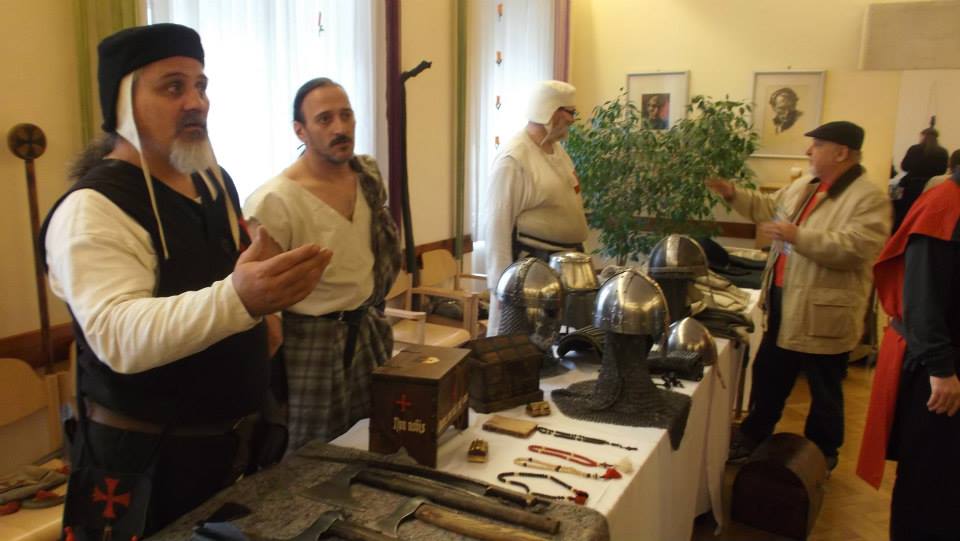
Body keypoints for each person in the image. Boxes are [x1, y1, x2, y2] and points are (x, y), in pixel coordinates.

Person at [40, 24, 331, 538]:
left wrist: (266, 313)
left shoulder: (213, 181)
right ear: (124, 103)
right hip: (147, 469)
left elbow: (233, 273)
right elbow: (118, 335)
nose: (196, 102)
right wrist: (242, 300)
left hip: (231, 453)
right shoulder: (93, 210)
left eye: (201, 85)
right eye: (173, 87)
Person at [706, 121, 891, 470]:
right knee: (768, 375)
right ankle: (753, 437)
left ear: (841, 152)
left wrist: (796, 236)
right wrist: (732, 193)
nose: (809, 151)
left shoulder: (868, 197)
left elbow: (856, 248)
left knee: (824, 389)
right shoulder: (805, 185)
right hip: (783, 303)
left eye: (817, 145)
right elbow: (767, 207)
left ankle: (822, 456)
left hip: (823, 313)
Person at [243, 78, 401, 451]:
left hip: (368, 333)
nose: (340, 128)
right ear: (300, 130)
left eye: (346, 115)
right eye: (325, 119)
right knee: (313, 457)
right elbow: (262, 308)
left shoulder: (367, 175)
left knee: (375, 440)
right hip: (311, 347)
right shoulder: (274, 201)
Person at [858, 164, 960, 541]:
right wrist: (941, 369)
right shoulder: (945, 205)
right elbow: (921, 300)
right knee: (929, 482)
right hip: (939, 372)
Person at [481, 80, 589, 334]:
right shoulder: (514, 158)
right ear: (550, 111)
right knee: (527, 345)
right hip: (531, 272)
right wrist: (500, 286)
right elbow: (497, 225)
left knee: (563, 348)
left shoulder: (558, 152)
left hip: (564, 268)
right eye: (569, 112)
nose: (572, 120)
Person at [891, 127, 949, 231]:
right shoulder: (943, 152)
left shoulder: (914, 149)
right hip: (932, 188)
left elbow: (905, 166)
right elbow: (942, 171)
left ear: (923, 136)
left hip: (911, 187)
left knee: (902, 212)